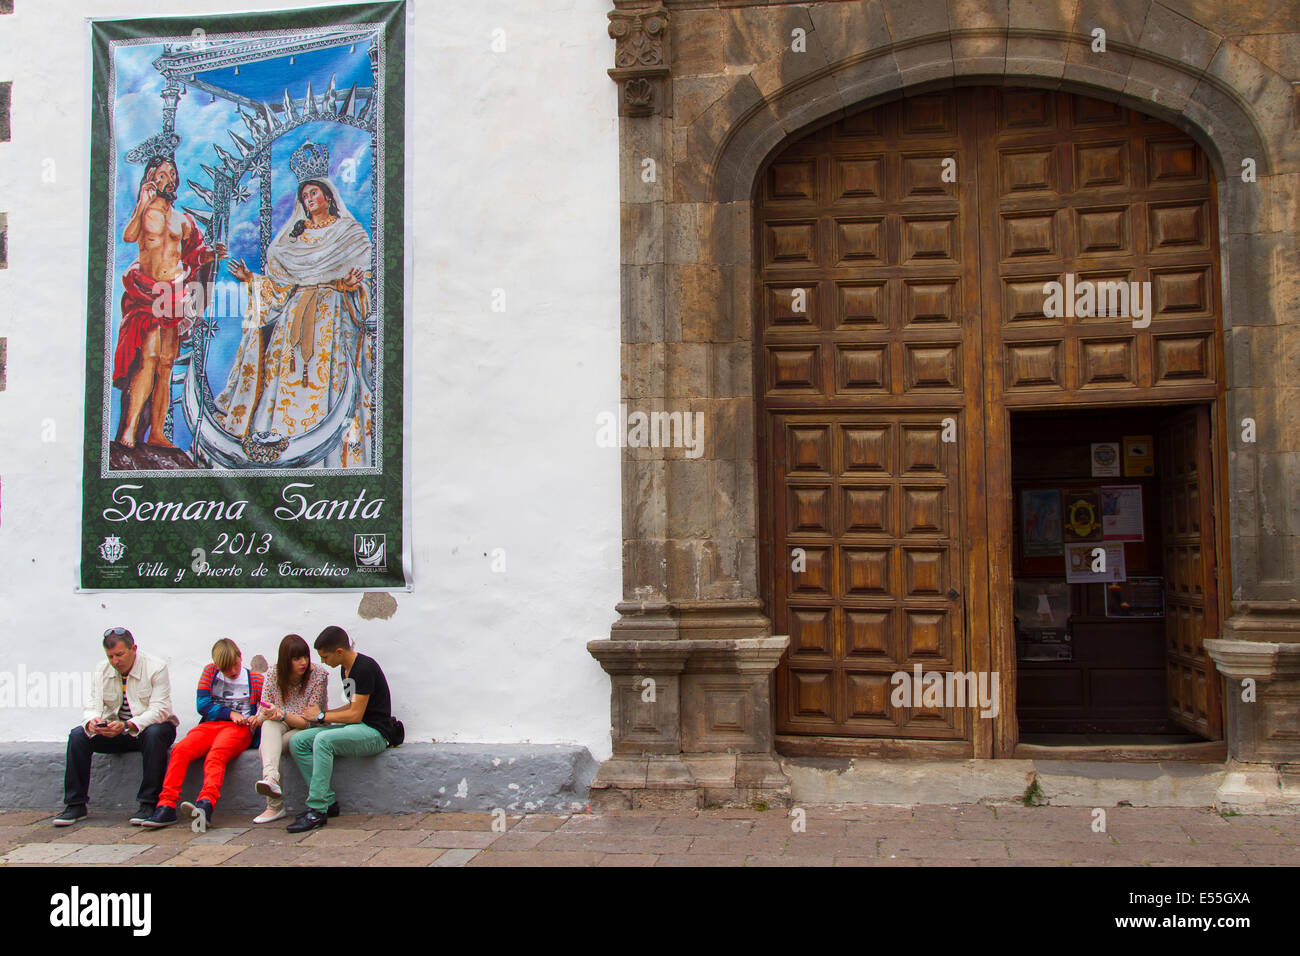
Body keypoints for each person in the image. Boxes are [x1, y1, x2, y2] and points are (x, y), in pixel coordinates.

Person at [215, 141, 374, 467]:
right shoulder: (293, 238)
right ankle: (277, 446)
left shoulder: (350, 233)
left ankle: (330, 454)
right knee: (285, 374)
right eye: (304, 196)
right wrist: (250, 280)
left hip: (332, 315)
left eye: (314, 193)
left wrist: (353, 287)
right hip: (294, 313)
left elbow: (368, 282)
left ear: (329, 196)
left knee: (328, 377)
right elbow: (279, 287)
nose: (308, 199)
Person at [115, 153, 227, 449]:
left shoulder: (183, 221)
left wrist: (211, 254)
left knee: (166, 365)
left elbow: (193, 256)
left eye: (173, 174)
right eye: (163, 174)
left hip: (173, 297)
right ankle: (129, 429)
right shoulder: (146, 214)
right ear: (151, 177)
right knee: (148, 360)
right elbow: (129, 237)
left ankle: (156, 433)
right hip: (148, 294)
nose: (170, 179)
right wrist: (141, 202)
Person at [55, 627, 179, 826]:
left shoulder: (156, 667)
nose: (115, 661)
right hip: (117, 731)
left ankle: (149, 803)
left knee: (155, 733)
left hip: (148, 729)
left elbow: (160, 710)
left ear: (134, 649)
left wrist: (128, 724)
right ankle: (75, 804)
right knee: (78, 735)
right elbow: (92, 706)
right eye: (110, 656)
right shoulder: (102, 669)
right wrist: (94, 722)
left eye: (119, 655)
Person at [141, 639, 263, 829]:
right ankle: (166, 805)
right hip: (211, 725)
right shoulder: (210, 672)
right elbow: (202, 705)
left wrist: (256, 719)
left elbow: (264, 709)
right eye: (226, 668)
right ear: (217, 665)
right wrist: (229, 713)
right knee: (181, 750)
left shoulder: (255, 680)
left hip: (239, 729)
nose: (232, 671)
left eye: (235, 665)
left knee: (216, 755)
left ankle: (206, 804)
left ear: (241, 656)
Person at [286, 626, 395, 832]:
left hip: (375, 733)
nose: (324, 662)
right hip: (356, 727)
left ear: (339, 652)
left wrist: (321, 716)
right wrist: (324, 713)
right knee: (298, 741)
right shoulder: (344, 670)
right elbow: (351, 706)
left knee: (323, 741)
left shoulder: (364, 668)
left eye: (325, 657)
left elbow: (356, 714)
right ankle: (327, 802)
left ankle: (317, 810)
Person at [251, 634, 329, 824]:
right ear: (286, 661)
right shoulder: (273, 674)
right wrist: (262, 716)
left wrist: (282, 714)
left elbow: (307, 722)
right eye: (296, 658)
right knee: (270, 725)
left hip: (307, 727)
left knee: (266, 749)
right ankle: (271, 779)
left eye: (305, 657)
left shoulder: (318, 675)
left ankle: (274, 806)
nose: (303, 662)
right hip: (279, 723)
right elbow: (265, 710)